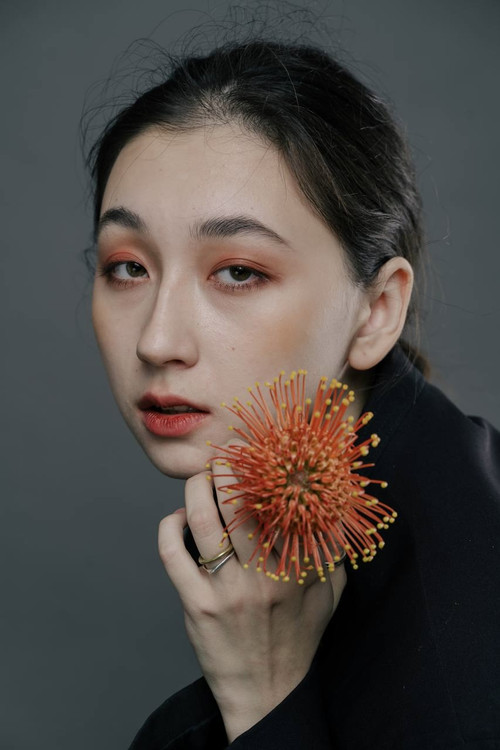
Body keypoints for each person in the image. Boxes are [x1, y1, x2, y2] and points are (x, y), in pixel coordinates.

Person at [84, 35, 500, 749]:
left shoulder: (463, 643)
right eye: (128, 267)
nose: (157, 340)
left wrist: (265, 699)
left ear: (376, 312)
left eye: (238, 272)